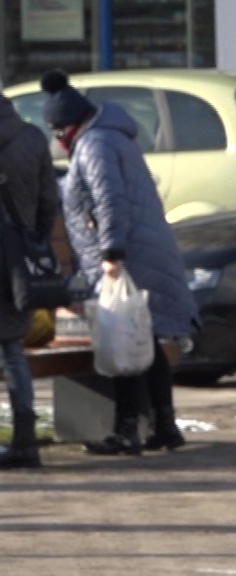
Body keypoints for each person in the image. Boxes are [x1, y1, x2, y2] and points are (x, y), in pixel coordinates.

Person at [40, 69, 199, 456]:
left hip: (127, 257)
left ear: (68, 127)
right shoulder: (112, 137)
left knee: (123, 337)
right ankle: (165, 425)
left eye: (58, 133)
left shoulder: (94, 145)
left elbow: (109, 198)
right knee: (149, 337)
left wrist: (111, 253)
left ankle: (127, 430)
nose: (58, 142)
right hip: (145, 251)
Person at [0, 90, 60, 469]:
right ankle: (25, 440)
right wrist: (35, 239)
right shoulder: (33, 137)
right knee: (13, 352)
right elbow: (49, 200)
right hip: (16, 261)